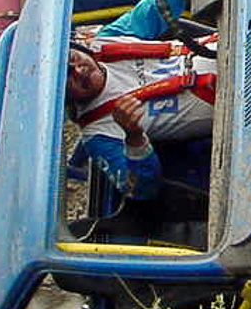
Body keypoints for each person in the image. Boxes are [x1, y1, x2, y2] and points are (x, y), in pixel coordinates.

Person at [65, 36, 217, 203]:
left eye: (73, 58)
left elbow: (159, 11)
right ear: (64, 98)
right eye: (68, 79)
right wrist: (134, 138)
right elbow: (140, 190)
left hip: (231, 40)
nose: (79, 71)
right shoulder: (97, 135)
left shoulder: (106, 40)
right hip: (233, 103)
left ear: (79, 47)